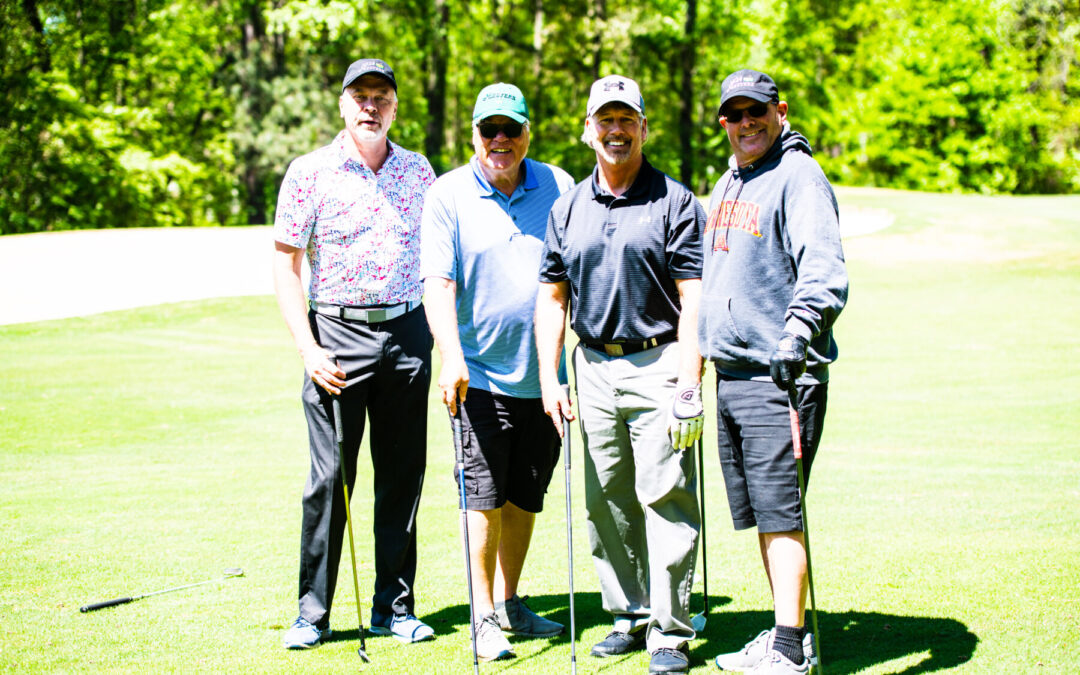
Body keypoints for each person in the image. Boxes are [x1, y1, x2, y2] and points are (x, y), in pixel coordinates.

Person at [535, 75, 706, 675]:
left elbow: (693, 298)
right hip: (592, 365)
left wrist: (690, 383)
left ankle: (670, 631)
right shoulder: (568, 207)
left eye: (626, 119)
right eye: (605, 120)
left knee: (665, 496)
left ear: (643, 128)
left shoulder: (675, 202)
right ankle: (629, 614)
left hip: (660, 361)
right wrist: (551, 377)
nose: (615, 130)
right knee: (606, 498)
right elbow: (553, 297)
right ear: (588, 129)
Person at [273, 58, 438, 650]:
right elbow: (287, 265)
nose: (371, 106)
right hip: (335, 337)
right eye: (360, 96)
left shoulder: (418, 171)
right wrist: (307, 347)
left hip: (407, 334)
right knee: (330, 481)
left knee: (402, 478)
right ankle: (312, 614)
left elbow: (439, 258)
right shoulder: (309, 171)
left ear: (394, 107)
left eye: (381, 97)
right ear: (343, 104)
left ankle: (394, 609)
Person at [700, 69, 848, 675]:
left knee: (782, 512)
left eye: (756, 111)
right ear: (724, 123)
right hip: (734, 376)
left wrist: (797, 333)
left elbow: (823, 269)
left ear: (779, 111)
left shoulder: (798, 176)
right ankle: (791, 632)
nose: (747, 122)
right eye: (735, 114)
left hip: (779, 376)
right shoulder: (729, 181)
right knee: (765, 511)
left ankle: (788, 648)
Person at [421, 82, 574, 662]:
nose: (501, 140)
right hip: (478, 373)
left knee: (524, 494)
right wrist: (451, 355)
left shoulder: (558, 185)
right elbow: (438, 284)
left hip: (544, 377)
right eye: (490, 130)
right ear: (475, 134)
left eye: (511, 129)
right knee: (481, 494)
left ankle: (510, 602)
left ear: (528, 132)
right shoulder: (448, 194)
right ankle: (482, 615)